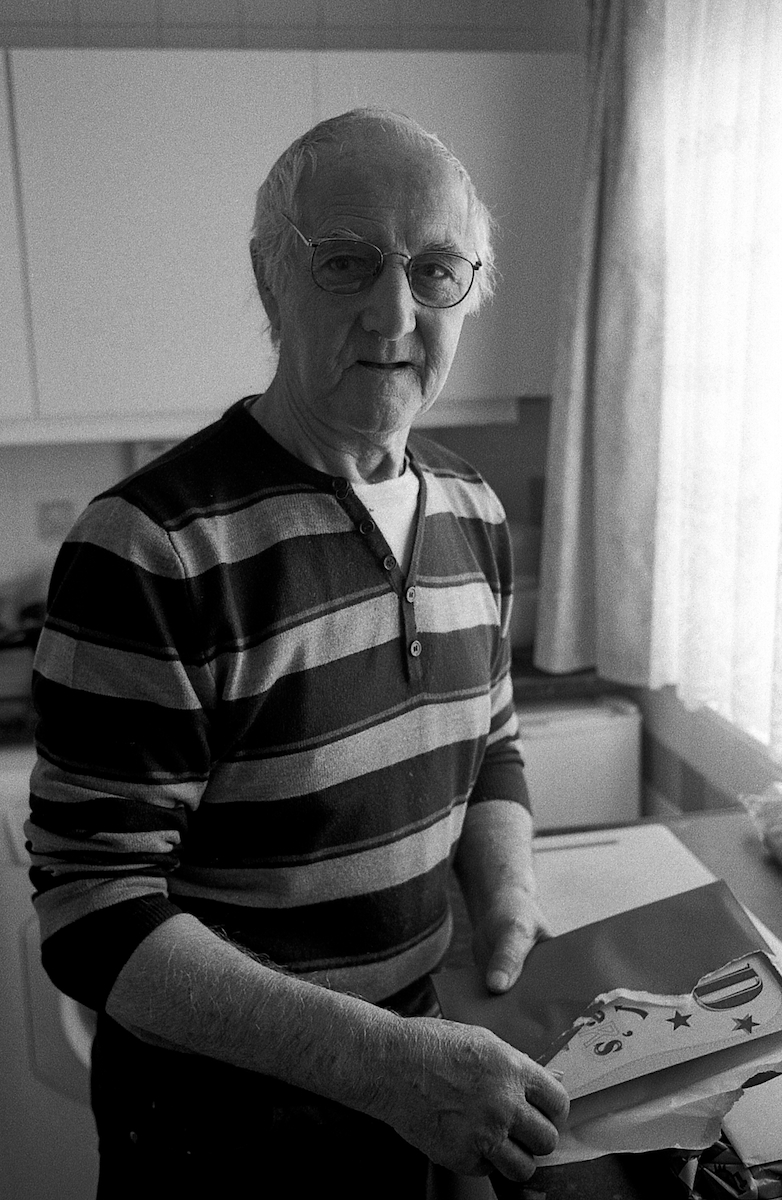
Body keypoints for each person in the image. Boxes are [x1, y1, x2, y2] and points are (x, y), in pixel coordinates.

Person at [25, 107, 568, 1198]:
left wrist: (505, 898)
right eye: (347, 261)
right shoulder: (153, 547)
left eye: (435, 270)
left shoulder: (474, 510)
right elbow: (93, 914)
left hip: (431, 1105)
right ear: (271, 279)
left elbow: (491, 749)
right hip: (222, 1145)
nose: (394, 312)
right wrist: (386, 1066)